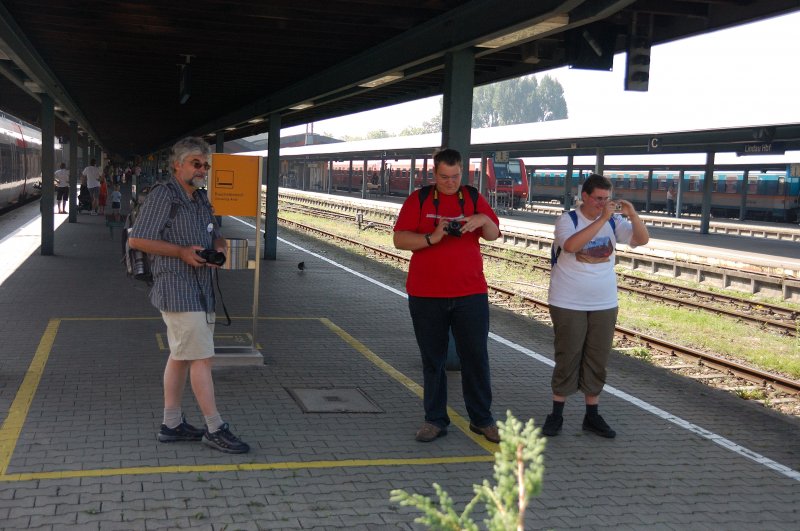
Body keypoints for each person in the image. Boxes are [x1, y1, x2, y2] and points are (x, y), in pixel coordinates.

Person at [128, 136, 249, 454]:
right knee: (201, 358)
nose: (202, 169)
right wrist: (181, 252)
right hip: (177, 288)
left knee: (181, 356)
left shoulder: (200, 198)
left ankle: (171, 424)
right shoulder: (163, 196)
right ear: (177, 164)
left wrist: (219, 247)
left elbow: (215, 233)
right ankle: (215, 428)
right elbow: (138, 239)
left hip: (201, 289)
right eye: (196, 163)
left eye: (205, 164)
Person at [393, 148, 502, 444]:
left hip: (471, 294)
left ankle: (482, 420)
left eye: (455, 177)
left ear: (461, 173)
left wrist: (481, 218)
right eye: (444, 177)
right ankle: (435, 420)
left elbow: (493, 235)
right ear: (434, 173)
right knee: (433, 360)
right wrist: (433, 236)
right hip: (426, 294)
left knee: (476, 357)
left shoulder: (472, 197)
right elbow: (399, 239)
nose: (451, 182)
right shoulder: (419, 199)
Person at [541, 173, 649, 439]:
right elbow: (570, 246)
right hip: (568, 302)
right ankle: (556, 414)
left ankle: (592, 415)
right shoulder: (568, 220)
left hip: (604, 302)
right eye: (598, 198)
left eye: (607, 199)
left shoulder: (615, 221)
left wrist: (633, 215)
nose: (603, 204)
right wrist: (601, 219)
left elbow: (642, 240)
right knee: (568, 357)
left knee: (597, 359)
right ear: (585, 197)